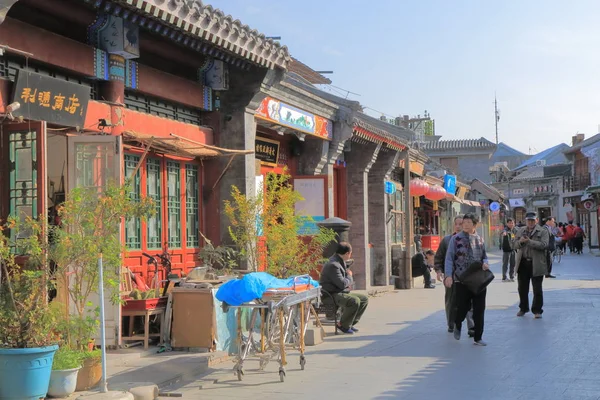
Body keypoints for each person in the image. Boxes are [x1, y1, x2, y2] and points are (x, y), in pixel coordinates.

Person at [444, 213, 490, 346]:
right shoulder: (456, 239)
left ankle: (478, 336)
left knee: (479, 308)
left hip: (478, 279)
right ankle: (458, 324)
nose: (465, 225)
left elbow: (484, 256)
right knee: (462, 306)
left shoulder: (480, 239)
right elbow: (449, 258)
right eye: (464, 222)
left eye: (469, 222)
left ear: (475, 225)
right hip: (461, 279)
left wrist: (486, 263)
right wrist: (448, 276)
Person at [435, 215, 475, 335]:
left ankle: (471, 326)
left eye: (461, 224)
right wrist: (439, 271)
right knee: (451, 300)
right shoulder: (447, 240)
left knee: (469, 301)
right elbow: (439, 257)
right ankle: (451, 323)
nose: (458, 226)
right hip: (451, 276)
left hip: (468, 276)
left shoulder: (472, 239)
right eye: (456, 224)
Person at [319, 242, 368, 334]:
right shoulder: (334, 265)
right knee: (354, 301)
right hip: (331, 295)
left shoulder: (340, 261)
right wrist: (349, 276)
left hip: (339, 292)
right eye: (350, 253)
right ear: (347, 253)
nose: (350, 255)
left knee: (364, 299)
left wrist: (347, 279)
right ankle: (343, 325)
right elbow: (342, 284)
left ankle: (349, 323)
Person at [513, 211, 549, 319]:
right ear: (525, 221)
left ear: (536, 220)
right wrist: (521, 242)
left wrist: (529, 242)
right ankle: (523, 308)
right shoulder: (520, 230)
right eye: (528, 220)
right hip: (523, 263)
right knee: (522, 288)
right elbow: (514, 245)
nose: (530, 222)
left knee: (537, 289)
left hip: (536, 263)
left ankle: (537, 310)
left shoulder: (543, 231)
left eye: (533, 220)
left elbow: (544, 245)